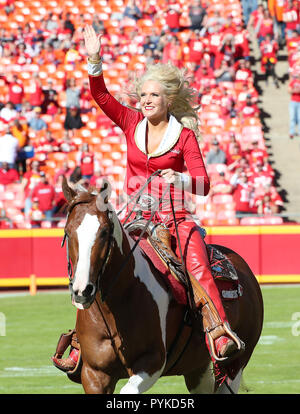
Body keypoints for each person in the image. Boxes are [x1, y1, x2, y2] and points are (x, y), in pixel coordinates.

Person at [53, 25, 244, 372]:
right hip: (134, 218)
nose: (146, 100)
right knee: (95, 260)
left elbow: (204, 184)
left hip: (175, 220)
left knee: (197, 264)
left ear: (168, 100)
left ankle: (218, 331)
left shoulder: (184, 137)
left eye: (153, 96)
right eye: (142, 95)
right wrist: (94, 59)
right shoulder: (130, 121)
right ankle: (83, 343)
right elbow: (101, 97)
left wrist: (180, 178)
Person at [288, 71, 300, 138]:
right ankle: (291, 132)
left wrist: (295, 90)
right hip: (293, 101)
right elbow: (289, 90)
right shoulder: (293, 82)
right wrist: (296, 91)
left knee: (299, 118)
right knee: (292, 118)